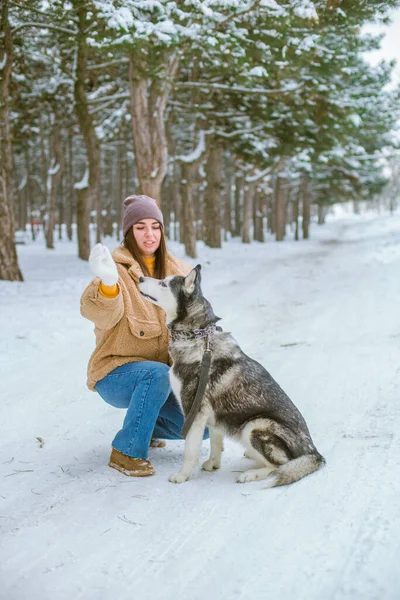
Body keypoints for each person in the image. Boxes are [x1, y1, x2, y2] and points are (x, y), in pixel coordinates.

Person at [81, 194, 204, 477]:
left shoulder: (181, 271)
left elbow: (194, 327)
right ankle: (126, 451)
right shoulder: (115, 270)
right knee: (156, 374)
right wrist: (109, 285)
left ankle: (142, 425)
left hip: (163, 378)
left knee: (204, 425)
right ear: (128, 232)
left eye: (155, 226)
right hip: (115, 374)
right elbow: (100, 314)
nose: (149, 234)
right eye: (140, 227)